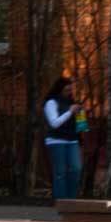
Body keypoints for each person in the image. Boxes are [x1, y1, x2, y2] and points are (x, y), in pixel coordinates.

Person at [39, 76, 86, 209]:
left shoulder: (72, 103)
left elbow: (81, 126)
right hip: (56, 140)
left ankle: (71, 201)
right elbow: (54, 123)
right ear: (59, 89)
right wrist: (70, 112)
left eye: (70, 91)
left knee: (76, 169)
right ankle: (61, 201)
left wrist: (81, 116)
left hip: (72, 140)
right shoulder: (51, 103)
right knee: (60, 172)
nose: (68, 93)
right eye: (66, 90)